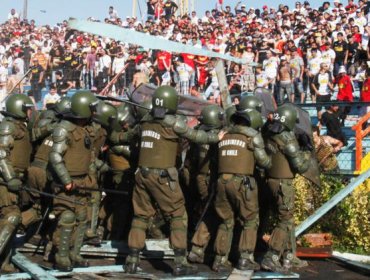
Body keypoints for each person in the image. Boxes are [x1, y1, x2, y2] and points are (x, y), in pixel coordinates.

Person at [124, 86, 224, 276]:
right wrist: (216, 137)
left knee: (140, 216)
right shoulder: (172, 123)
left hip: (141, 175)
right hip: (162, 177)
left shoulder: (145, 122)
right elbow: (196, 136)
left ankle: (132, 260)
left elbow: (129, 137)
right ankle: (179, 262)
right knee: (178, 215)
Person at [212, 105, 271, 272]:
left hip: (221, 181)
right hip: (242, 183)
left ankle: (219, 259)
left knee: (225, 221)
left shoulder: (224, 135)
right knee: (250, 220)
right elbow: (264, 162)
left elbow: (217, 160)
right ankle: (245, 258)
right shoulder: (252, 136)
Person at [48, 91, 98, 271]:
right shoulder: (64, 129)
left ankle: (74, 253)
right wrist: (66, 180)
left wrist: (92, 178)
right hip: (66, 183)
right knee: (67, 217)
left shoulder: (87, 128)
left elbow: (89, 155)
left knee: (82, 218)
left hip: (83, 182)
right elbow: (55, 156)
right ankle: (61, 256)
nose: (95, 112)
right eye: (92, 108)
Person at [261, 104, 310, 273]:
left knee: (287, 219)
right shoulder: (287, 137)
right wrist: (307, 151)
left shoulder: (268, 133)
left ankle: (289, 257)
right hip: (283, 182)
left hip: (270, 180)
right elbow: (301, 166)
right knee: (285, 219)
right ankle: (272, 256)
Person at [0, 94, 34, 272]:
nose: (31, 112)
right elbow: (1, 154)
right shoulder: (8, 126)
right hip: (4, 183)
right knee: (12, 217)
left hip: (15, 181)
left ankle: (4, 262)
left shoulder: (21, 127)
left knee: (8, 221)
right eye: (28, 108)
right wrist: (10, 177)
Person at [187, 105, 224, 264]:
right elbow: (203, 171)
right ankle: (198, 248)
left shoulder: (200, 136)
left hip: (202, 178)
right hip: (208, 181)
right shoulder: (211, 139)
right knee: (210, 213)